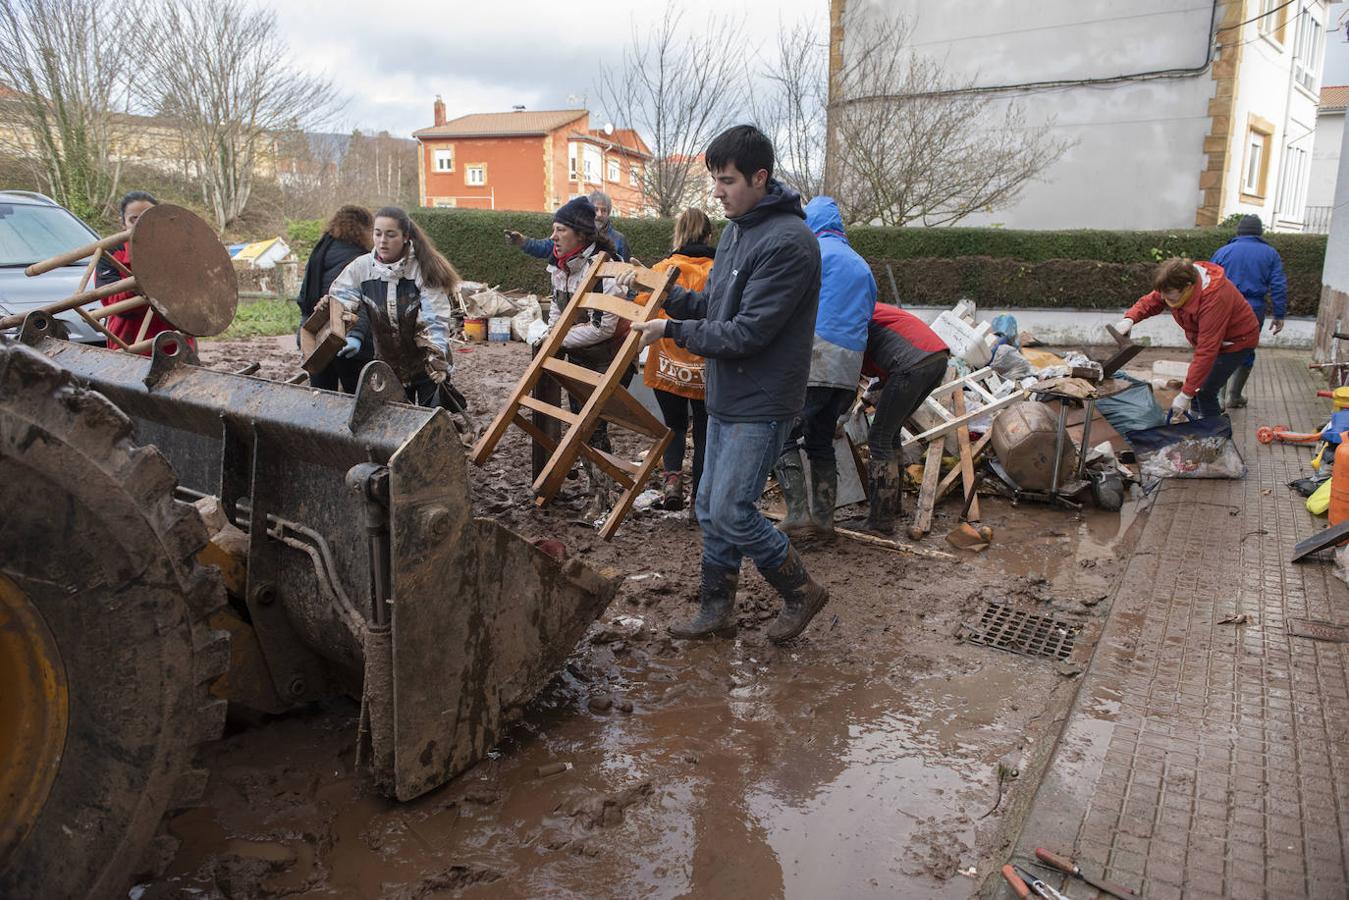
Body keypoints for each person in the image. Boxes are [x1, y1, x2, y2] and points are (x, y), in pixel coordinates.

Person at [624, 124, 827, 644]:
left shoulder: (790, 243)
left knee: (733, 511)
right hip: (726, 394)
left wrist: (672, 330)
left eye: (727, 180)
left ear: (761, 178)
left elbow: (749, 332)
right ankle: (717, 608)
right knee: (712, 507)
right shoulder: (737, 232)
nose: (717, 191)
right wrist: (664, 295)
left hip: (761, 400)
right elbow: (717, 308)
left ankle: (800, 590)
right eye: (714, 179)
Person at [776, 195, 877, 542]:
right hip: (848, 372)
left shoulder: (815, 254)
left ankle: (797, 513)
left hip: (815, 358)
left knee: (782, 433)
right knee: (820, 439)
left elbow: (790, 302)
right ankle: (824, 521)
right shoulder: (862, 265)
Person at [532, 195, 630, 520]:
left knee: (592, 427)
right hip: (579, 355)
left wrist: (556, 339)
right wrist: (552, 335)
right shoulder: (563, 267)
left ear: (582, 234)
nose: (553, 236)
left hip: (607, 358)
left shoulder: (605, 267)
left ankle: (604, 499)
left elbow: (604, 326)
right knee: (580, 424)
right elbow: (558, 310)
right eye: (553, 229)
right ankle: (597, 491)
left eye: (560, 230)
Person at [328, 206, 463, 410]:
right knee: (396, 423)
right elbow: (341, 297)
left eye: (391, 235)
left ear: (405, 237)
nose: (383, 241)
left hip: (427, 365)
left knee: (431, 421)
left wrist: (438, 360)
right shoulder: (360, 268)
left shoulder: (424, 269)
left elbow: (436, 320)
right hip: (389, 368)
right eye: (378, 233)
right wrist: (334, 312)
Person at [637, 209, 714, 518]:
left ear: (678, 234)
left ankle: (672, 484)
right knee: (705, 432)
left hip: (666, 363)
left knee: (674, 427)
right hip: (705, 368)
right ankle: (700, 499)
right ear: (709, 236)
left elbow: (643, 307)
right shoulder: (718, 270)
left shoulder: (662, 269)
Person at [1114, 257, 1260, 420]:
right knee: (1197, 384)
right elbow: (1151, 301)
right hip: (1211, 340)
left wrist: (1185, 395)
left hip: (1237, 341)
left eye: (1169, 295)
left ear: (1188, 288)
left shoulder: (1215, 299)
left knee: (1206, 390)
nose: (1164, 298)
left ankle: (1216, 435)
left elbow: (1206, 351)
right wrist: (1130, 318)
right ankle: (1195, 421)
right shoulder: (1174, 282)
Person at [859, 305, 950, 534]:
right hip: (935, 358)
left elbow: (844, 372)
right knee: (889, 434)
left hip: (911, 362)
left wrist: (839, 417)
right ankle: (892, 507)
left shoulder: (846, 314)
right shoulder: (864, 305)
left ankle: (880, 522)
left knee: (878, 438)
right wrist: (870, 395)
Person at [95, 191, 194, 354]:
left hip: (175, 342)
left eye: (149, 217)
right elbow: (112, 303)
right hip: (129, 342)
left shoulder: (178, 251)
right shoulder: (111, 253)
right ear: (123, 223)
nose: (142, 223)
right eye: (134, 219)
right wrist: (142, 284)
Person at [1210, 214, 1287, 408]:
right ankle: (1234, 396)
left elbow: (1208, 283)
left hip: (1223, 307)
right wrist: (1279, 314)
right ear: (1259, 232)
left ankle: (1217, 398)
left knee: (1220, 348)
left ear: (1239, 232)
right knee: (1246, 348)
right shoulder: (1270, 254)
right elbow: (1278, 286)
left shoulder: (1223, 252)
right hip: (1253, 309)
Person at [296, 205, 374, 392]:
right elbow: (362, 300)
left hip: (317, 336)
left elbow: (305, 294)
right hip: (345, 334)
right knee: (356, 397)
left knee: (322, 395)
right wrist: (356, 336)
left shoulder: (321, 250)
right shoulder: (359, 256)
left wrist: (304, 325)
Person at [504, 190, 630, 263]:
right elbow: (545, 247)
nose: (599, 215)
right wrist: (523, 241)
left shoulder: (619, 240)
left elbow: (624, 276)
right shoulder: (572, 236)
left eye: (604, 211)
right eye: (595, 209)